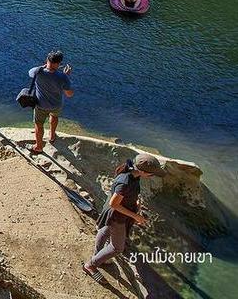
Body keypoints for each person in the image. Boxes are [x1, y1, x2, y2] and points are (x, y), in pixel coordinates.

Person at [83, 154, 166, 282]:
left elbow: (128, 195)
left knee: (105, 230)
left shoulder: (134, 174)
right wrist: (136, 216)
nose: (152, 176)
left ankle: (98, 255)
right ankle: (91, 265)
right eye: (151, 174)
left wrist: (136, 203)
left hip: (114, 213)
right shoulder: (125, 181)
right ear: (143, 171)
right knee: (117, 248)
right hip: (116, 216)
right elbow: (114, 204)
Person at [28, 50, 73, 153]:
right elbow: (69, 94)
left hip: (40, 105)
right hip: (56, 105)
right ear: (59, 64)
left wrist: (43, 66)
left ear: (47, 60)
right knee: (54, 116)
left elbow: (30, 72)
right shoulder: (62, 77)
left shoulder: (37, 71)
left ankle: (39, 147)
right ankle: (52, 136)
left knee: (39, 124)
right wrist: (67, 76)